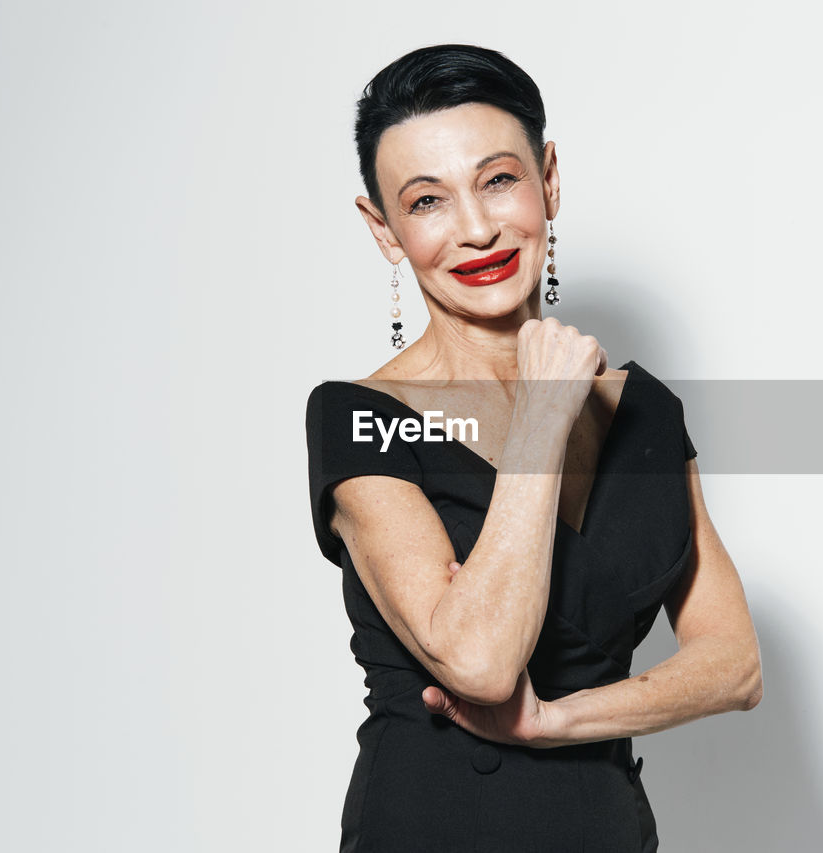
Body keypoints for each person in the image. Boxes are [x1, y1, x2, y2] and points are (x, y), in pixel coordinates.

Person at [306, 44, 762, 852]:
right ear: (384, 229)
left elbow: (733, 664)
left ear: (548, 178)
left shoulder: (644, 413)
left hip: (602, 827)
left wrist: (555, 720)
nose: (477, 228)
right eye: (426, 202)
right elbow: (479, 661)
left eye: (499, 180)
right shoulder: (359, 417)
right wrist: (544, 421)